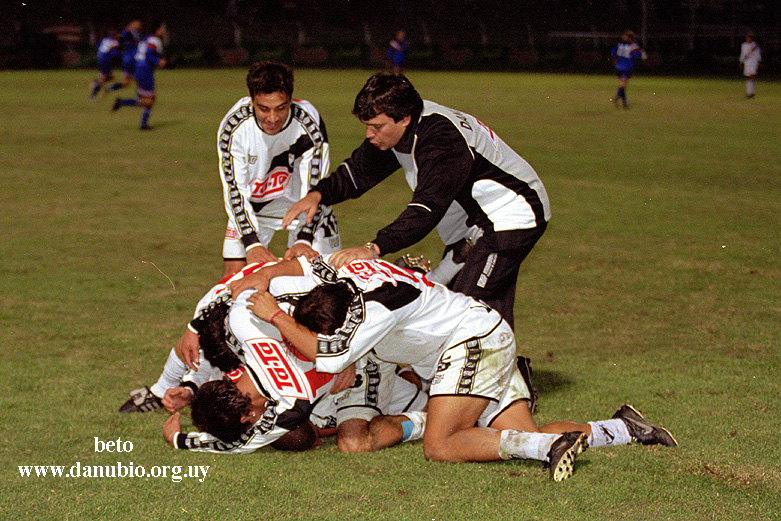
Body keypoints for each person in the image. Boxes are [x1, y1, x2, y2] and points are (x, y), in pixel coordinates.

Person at [235, 255, 678, 481]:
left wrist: (277, 315)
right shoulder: (347, 276)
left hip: (471, 344)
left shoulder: (374, 314)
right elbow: (310, 261)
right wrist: (267, 274)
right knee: (519, 431)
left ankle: (546, 451)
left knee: (442, 444)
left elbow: (327, 355)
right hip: (483, 335)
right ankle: (625, 428)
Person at [281, 72, 549, 330]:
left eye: (377, 127)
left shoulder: (441, 139)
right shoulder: (401, 129)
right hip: (476, 224)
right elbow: (359, 172)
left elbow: (426, 208)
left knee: (467, 310)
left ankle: (492, 370)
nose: (369, 135)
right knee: (465, 306)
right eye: (367, 126)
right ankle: (506, 372)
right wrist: (319, 193)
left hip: (512, 215)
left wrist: (374, 248)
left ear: (404, 118)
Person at [217, 61, 341, 279]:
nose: (272, 118)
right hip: (254, 209)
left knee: (320, 285)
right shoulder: (234, 126)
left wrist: (304, 238)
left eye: (281, 108)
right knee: (232, 283)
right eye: (263, 108)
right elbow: (235, 190)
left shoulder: (308, 123)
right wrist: (251, 244)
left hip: (303, 210)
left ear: (291, 100)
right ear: (251, 98)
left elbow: (317, 188)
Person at [112, 22, 167, 130]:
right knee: (149, 99)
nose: (163, 31)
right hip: (144, 70)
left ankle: (123, 104)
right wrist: (158, 61)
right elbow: (149, 53)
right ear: (157, 30)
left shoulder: (146, 38)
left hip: (138, 68)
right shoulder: (155, 40)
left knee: (144, 98)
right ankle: (142, 124)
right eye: (162, 29)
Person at [610, 30, 646, 109]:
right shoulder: (633, 46)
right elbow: (638, 56)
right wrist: (642, 54)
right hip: (627, 67)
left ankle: (625, 104)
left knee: (623, 85)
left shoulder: (619, 45)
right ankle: (616, 98)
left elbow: (613, 53)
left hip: (619, 67)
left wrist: (615, 61)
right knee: (623, 85)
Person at [106, 20, 142, 94]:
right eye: (136, 23)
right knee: (140, 80)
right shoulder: (129, 32)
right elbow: (123, 36)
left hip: (133, 60)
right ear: (131, 24)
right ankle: (142, 98)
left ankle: (109, 88)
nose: (139, 25)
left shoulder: (137, 34)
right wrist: (127, 29)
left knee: (126, 83)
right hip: (129, 61)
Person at [88, 30, 121, 101]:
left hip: (101, 58)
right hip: (105, 60)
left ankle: (96, 83)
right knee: (103, 78)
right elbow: (114, 53)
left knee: (111, 76)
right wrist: (121, 54)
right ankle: (92, 96)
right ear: (117, 35)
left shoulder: (105, 39)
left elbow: (97, 46)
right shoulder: (115, 42)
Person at [739, 31, 761, 98]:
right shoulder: (743, 45)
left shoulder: (755, 45)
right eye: (748, 37)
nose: (748, 38)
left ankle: (751, 93)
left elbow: (758, 54)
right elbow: (742, 54)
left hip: (753, 61)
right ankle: (749, 92)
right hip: (747, 62)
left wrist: (759, 61)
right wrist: (741, 62)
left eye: (750, 37)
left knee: (752, 76)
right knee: (748, 77)